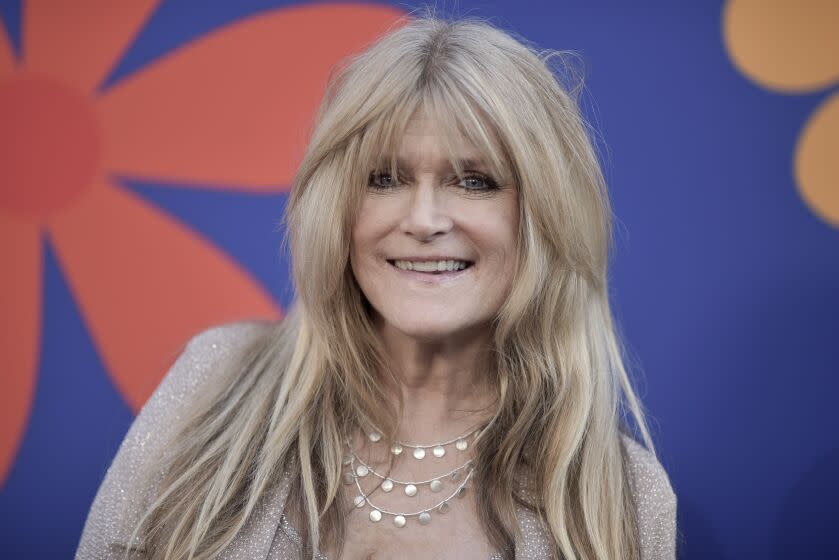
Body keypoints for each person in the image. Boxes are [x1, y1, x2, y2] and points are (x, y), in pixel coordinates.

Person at [76, 14, 677, 560]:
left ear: (543, 215)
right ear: (339, 207)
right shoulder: (212, 379)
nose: (422, 219)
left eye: (474, 182)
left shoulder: (620, 497)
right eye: (384, 179)